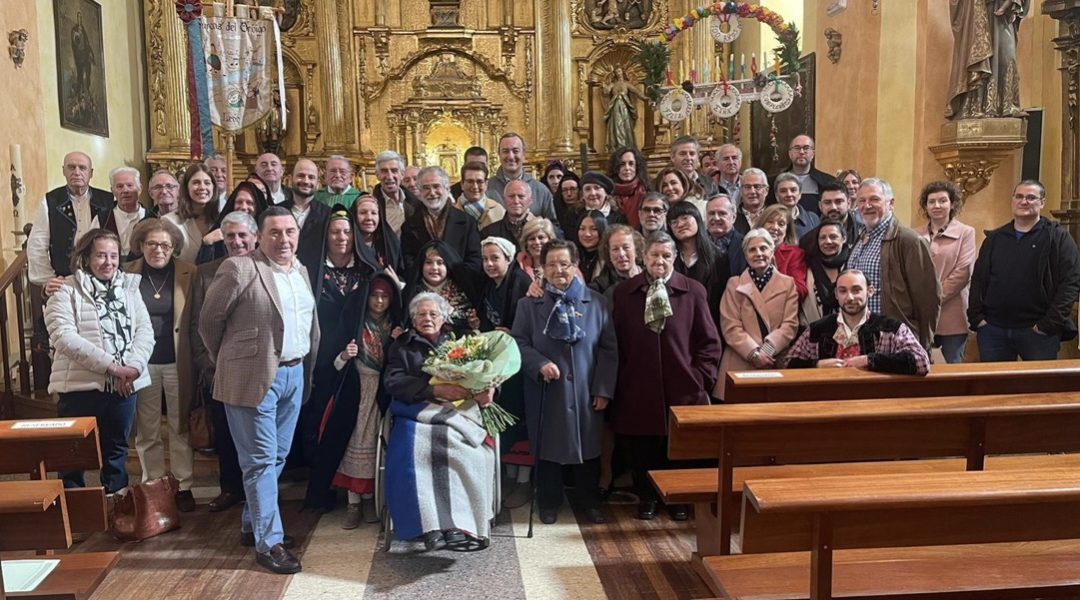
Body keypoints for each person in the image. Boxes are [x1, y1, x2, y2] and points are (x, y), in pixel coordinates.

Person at [199, 206, 319, 574]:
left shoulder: (300, 270)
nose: (284, 239)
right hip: (253, 378)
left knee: (277, 457)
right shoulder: (240, 268)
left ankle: (254, 525)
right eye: (275, 233)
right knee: (261, 461)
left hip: (293, 374)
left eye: (289, 232)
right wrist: (234, 360)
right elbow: (208, 322)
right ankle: (270, 543)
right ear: (259, 237)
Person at [611, 231, 722, 520]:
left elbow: (709, 341)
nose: (659, 261)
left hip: (684, 383)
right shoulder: (624, 293)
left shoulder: (693, 290)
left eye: (666, 255)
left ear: (674, 257)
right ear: (643, 257)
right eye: (653, 255)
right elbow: (616, 340)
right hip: (638, 383)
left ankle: (679, 499)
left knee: (680, 447)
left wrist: (701, 377)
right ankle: (647, 497)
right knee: (643, 448)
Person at [513, 239, 617, 525]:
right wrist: (539, 363)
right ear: (542, 268)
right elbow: (518, 343)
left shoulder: (597, 302)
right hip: (547, 389)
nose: (558, 270)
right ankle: (549, 501)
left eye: (564, 264)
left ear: (575, 266)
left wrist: (603, 389)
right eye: (551, 264)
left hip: (586, 389)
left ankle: (589, 501)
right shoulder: (528, 305)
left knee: (588, 448)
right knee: (549, 448)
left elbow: (609, 350)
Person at [383, 293, 497, 551]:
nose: (427, 319)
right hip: (417, 412)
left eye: (433, 314)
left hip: (458, 414)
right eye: (421, 314)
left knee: (465, 453)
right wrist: (433, 390)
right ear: (412, 319)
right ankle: (427, 526)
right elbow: (392, 381)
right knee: (416, 451)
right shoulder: (402, 345)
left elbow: (487, 375)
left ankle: (459, 525)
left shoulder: (462, 343)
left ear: (444, 318)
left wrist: (488, 391)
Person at [45, 229, 153, 496]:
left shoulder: (129, 288)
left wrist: (134, 367)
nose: (108, 262)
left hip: (123, 386)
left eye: (113, 255)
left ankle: (117, 510)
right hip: (79, 388)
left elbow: (145, 331)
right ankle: (76, 518)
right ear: (85, 258)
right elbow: (64, 337)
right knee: (73, 457)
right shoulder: (65, 289)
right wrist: (112, 367)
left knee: (116, 452)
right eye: (101, 255)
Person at [302, 208, 379, 512]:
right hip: (323, 360)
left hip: (360, 359)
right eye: (335, 232)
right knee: (322, 426)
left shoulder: (366, 270)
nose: (342, 237)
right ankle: (320, 493)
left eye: (347, 232)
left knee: (355, 427)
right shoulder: (311, 270)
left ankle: (362, 492)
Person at [125, 218, 198, 512]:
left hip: (177, 360)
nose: (158, 249)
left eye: (165, 244)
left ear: (174, 247)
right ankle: (153, 484)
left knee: (180, 426)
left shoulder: (187, 272)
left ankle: (183, 485)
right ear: (141, 245)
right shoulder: (127, 274)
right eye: (152, 244)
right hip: (143, 363)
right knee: (148, 430)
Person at [189, 211, 257, 513]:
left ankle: (261, 494)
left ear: (255, 237)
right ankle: (230, 488)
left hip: (260, 369)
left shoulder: (269, 269)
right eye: (230, 236)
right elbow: (197, 324)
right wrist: (210, 365)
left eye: (243, 235)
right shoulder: (205, 273)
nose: (237, 241)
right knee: (227, 434)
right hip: (221, 369)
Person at [969, 179, 1080, 361]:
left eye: (1031, 197)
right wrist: (977, 318)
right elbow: (978, 279)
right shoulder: (995, 238)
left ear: (1042, 202)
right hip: (993, 330)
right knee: (995, 387)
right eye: (1019, 196)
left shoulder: (1058, 238)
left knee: (1039, 388)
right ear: (1013, 200)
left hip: (1038, 331)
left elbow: (1071, 283)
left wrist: (1048, 324)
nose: (1024, 201)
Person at [334, 273, 402, 529]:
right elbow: (332, 361)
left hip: (381, 393)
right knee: (353, 439)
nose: (379, 301)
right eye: (374, 295)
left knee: (376, 444)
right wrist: (344, 355)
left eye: (385, 296)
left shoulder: (395, 326)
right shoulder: (354, 323)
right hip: (356, 390)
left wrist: (398, 341)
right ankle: (353, 504)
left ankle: (371, 500)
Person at [846, 177, 941, 349]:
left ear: (890, 203)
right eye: (862, 201)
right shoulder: (860, 241)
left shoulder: (909, 241)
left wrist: (921, 344)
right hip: (863, 339)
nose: (867, 206)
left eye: (874, 199)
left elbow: (928, 299)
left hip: (895, 338)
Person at [786, 269, 931, 375]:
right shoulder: (817, 329)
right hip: (827, 401)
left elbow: (921, 362)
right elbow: (789, 364)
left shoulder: (891, 328)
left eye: (856, 290)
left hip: (874, 403)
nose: (849, 297)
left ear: (870, 291)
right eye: (843, 291)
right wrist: (816, 365)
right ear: (836, 294)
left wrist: (870, 360)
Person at [714, 228, 800, 401]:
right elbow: (730, 326)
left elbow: (790, 325)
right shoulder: (734, 284)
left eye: (763, 248)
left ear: (771, 250)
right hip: (741, 360)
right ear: (745, 255)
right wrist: (754, 353)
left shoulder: (787, 283)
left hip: (772, 359)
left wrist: (766, 352)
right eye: (752, 250)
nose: (758, 253)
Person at [28, 151, 114, 292]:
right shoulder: (52, 201)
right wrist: (48, 279)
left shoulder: (107, 200)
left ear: (91, 173)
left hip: (102, 275)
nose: (77, 172)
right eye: (71, 167)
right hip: (64, 278)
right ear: (63, 171)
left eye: (82, 168)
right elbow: (37, 243)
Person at [914, 181, 976, 363]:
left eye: (943, 201)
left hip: (952, 314)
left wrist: (934, 299)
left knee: (952, 368)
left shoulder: (966, 232)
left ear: (952, 204)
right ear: (925, 206)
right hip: (920, 315)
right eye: (931, 201)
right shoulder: (914, 234)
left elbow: (962, 273)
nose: (937, 206)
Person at [946, 0, 1028, 120]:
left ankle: (1007, 105)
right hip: (982, 14)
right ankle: (980, 106)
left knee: (1007, 57)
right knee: (982, 61)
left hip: (1004, 17)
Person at [400, 166, 483, 274]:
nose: (432, 192)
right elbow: (409, 262)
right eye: (426, 188)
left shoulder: (467, 222)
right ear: (419, 192)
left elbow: (475, 260)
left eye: (436, 186)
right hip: (423, 287)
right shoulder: (409, 225)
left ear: (447, 189)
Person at [667, 202, 730, 322]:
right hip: (676, 324)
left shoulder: (718, 258)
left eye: (685, 218)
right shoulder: (668, 259)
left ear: (697, 219)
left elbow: (721, 299)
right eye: (674, 222)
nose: (680, 224)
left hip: (709, 322)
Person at [403, 240, 480, 337]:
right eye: (428, 262)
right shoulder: (412, 293)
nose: (434, 268)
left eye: (440, 263)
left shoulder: (463, 290)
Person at [487, 133, 558, 221]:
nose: (511, 156)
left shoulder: (540, 190)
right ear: (499, 154)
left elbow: (556, 229)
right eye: (505, 151)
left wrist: (538, 224)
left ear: (524, 154)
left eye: (515, 151)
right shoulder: (486, 188)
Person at [194, 181, 269, 264]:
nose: (244, 207)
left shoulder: (267, 233)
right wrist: (207, 244)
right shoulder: (218, 233)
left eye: (249, 203)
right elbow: (205, 269)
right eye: (239, 202)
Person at [163, 164, 220, 263]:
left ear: (213, 188)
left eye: (207, 183)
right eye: (196, 183)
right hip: (184, 277)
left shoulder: (220, 219)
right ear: (186, 187)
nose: (202, 187)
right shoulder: (169, 222)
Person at [284, 158, 332, 273]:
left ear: (318, 184)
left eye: (311, 177)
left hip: (314, 276)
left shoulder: (328, 214)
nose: (306, 181)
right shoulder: (276, 211)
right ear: (290, 180)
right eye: (301, 176)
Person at [768, 135, 835, 216]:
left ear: (813, 153)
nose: (801, 152)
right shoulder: (773, 182)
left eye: (806, 148)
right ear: (790, 154)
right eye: (797, 148)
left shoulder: (828, 182)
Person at [755, 205, 809, 302]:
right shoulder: (749, 249)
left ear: (787, 230)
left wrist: (774, 275)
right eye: (770, 222)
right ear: (761, 224)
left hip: (782, 310)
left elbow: (801, 291)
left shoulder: (795, 254)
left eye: (781, 224)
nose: (775, 227)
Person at [803, 219, 849, 323]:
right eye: (822, 238)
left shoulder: (853, 264)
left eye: (833, 237)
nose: (827, 242)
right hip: (813, 332)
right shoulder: (808, 266)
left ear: (844, 238)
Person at [353, 193, 404, 281]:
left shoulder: (391, 242)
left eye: (374, 213)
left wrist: (397, 283)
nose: (369, 217)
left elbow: (402, 274)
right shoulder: (346, 244)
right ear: (354, 216)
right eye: (363, 213)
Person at [799, 181, 860, 254]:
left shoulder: (863, 233)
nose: (833, 207)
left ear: (849, 203)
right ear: (820, 206)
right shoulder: (808, 242)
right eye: (827, 202)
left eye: (838, 201)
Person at [100, 166, 146, 257]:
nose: (125, 190)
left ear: (140, 189)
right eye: (119, 186)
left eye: (129, 185)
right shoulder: (102, 218)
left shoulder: (151, 217)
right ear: (112, 191)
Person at [372, 150, 421, 235]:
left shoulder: (416, 204)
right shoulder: (371, 205)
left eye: (394, 170)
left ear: (402, 174)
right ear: (377, 175)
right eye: (384, 171)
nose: (390, 176)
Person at [590, 224, 644, 297]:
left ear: (636, 250)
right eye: (615, 249)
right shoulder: (599, 288)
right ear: (608, 254)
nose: (621, 254)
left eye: (626, 247)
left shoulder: (651, 278)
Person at [480, 179, 535, 246]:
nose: (516, 201)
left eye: (521, 196)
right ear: (504, 200)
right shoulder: (489, 233)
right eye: (511, 196)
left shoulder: (540, 231)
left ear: (530, 201)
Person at [456, 160, 505, 231]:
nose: (475, 186)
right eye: (470, 181)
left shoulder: (498, 210)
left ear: (486, 184)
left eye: (480, 182)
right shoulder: (450, 212)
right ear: (462, 184)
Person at [602, 67, 643, 152]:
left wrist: (645, 97)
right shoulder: (613, 84)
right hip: (615, 107)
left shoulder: (626, 84)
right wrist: (605, 87)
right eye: (616, 71)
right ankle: (617, 146)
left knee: (626, 126)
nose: (618, 73)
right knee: (616, 125)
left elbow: (637, 92)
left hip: (624, 107)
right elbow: (606, 91)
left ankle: (627, 146)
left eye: (619, 71)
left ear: (622, 72)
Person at [705, 193, 747, 275]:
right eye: (711, 213)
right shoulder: (696, 243)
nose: (716, 218)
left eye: (722, 213)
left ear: (733, 217)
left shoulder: (746, 244)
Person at [608, 148, 650, 229]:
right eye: (622, 164)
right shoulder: (607, 191)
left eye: (631, 164)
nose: (627, 168)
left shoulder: (646, 190)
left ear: (637, 167)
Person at [669, 135, 719, 200]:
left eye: (692, 154)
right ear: (672, 157)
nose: (688, 158)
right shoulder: (661, 183)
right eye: (683, 154)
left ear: (698, 158)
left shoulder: (709, 184)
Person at [774, 173, 820, 240]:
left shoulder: (813, 219)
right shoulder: (768, 219)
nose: (789, 194)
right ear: (776, 196)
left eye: (793, 190)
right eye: (783, 191)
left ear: (800, 194)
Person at [516, 218, 556, 284]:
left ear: (550, 240)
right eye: (532, 239)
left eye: (541, 237)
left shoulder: (563, 262)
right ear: (526, 244)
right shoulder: (517, 267)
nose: (537, 242)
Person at [576, 210, 608, 284]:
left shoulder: (608, 258)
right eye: (582, 229)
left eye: (593, 229)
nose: (587, 234)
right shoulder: (572, 255)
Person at [734, 168, 769, 234]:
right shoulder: (732, 217)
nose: (752, 191)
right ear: (741, 191)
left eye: (757, 186)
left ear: (766, 190)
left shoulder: (774, 216)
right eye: (747, 187)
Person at [554, 172, 583, 236]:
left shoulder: (586, 211)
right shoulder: (555, 212)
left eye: (573, 189)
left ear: (579, 191)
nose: (569, 194)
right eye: (565, 190)